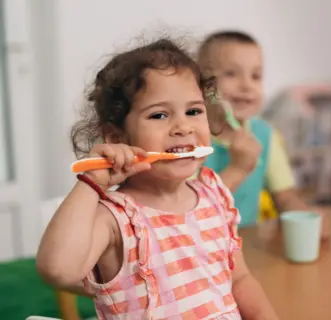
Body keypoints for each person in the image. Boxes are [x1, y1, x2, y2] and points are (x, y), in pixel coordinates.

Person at [36, 36, 278, 320]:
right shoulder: (116, 218)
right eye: (160, 115)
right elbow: (58, 269)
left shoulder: (215, 196)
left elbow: (239, 281)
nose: (183, 126)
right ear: (117, 137)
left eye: (193, 111)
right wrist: (92, 184)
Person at [197, 30, 330, 237]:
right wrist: (237, 168)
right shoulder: (189, 137)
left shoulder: (265, 135)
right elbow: (188, 212)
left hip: (246, 247)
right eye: (231, 73)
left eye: (256, 76)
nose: (247, 85)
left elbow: (285, 198)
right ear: (202, 84)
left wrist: (305, 216)